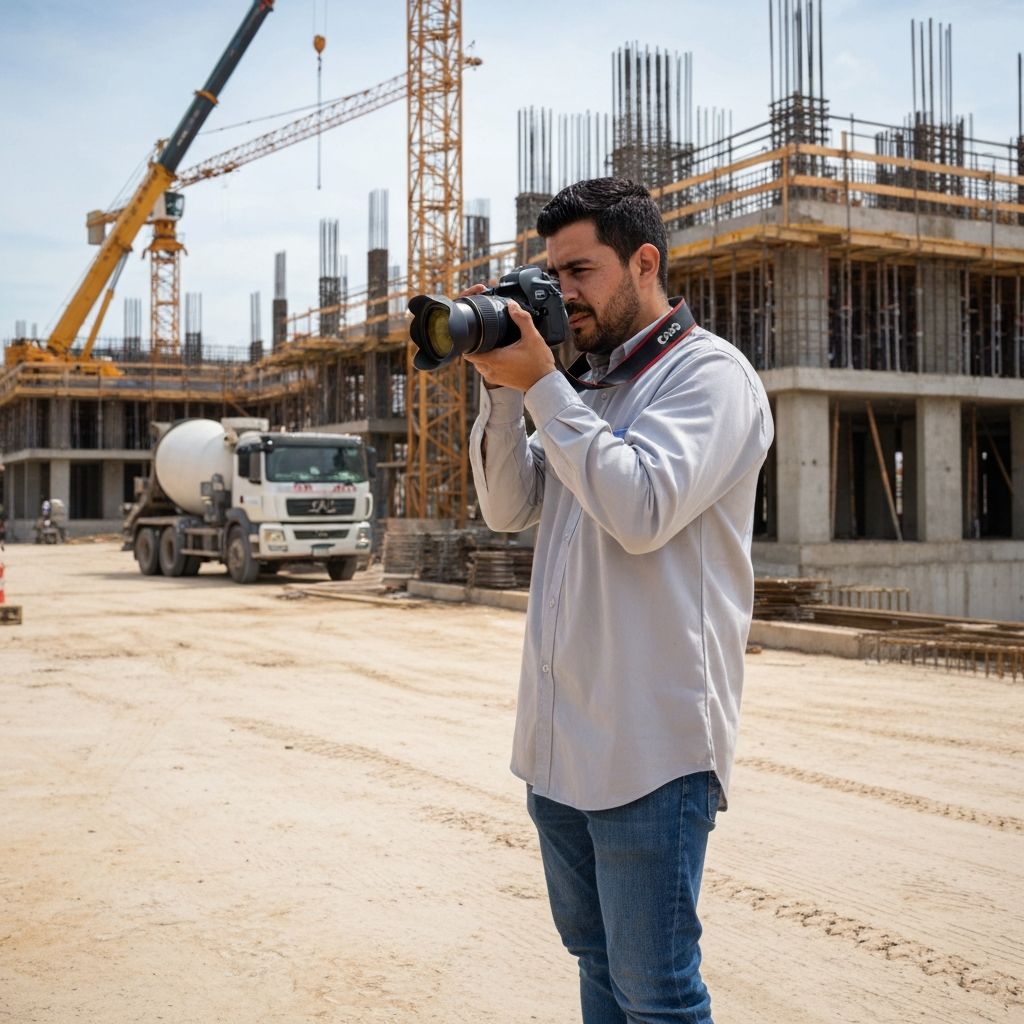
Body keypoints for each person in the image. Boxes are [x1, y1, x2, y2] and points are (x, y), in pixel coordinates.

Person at [464, 177, 774, 1023]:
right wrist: (504, 391)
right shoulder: (585, 383)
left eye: (581, 271)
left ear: (645, 263)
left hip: (650, 752)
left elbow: (640, 511)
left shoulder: (709, 377)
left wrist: (548, 389)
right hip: (559, 747)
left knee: (657, 991)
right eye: (552, 273)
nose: (563, 294)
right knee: (596, 965)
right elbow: (504, 508)